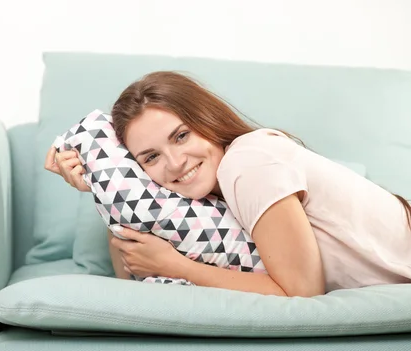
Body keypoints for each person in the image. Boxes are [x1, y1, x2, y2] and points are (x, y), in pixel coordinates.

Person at [45, 71, 411, 297]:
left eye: (181, 136)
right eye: (151, 157)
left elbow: (302, 292)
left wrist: (180, 268)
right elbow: (131, 278)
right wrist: (100, 185)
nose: (175, 163)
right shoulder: (210, 198)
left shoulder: (247, 163)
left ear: (206, 119)